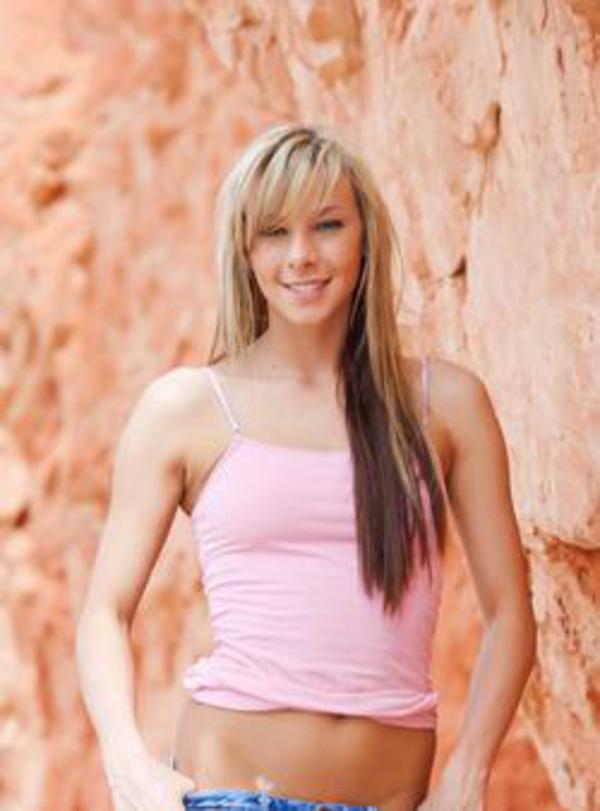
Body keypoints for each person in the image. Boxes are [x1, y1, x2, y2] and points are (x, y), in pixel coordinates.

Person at [76, 122, 537, 811]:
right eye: (274, 232)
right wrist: (126, 762)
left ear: (364, 237)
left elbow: (510, 611)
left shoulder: (446, 404)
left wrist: (469, 773)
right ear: (245, 248)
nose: (301, 256)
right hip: (226, 795)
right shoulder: (187, 408)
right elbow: (104, 613)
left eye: (327, 225)